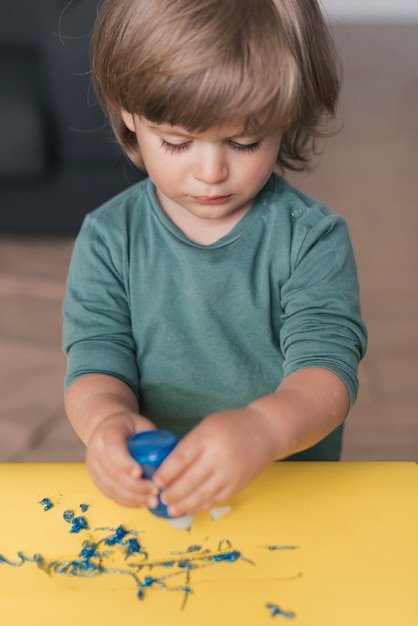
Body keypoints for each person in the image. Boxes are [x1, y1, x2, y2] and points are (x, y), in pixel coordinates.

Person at [63, 0, 367, 519]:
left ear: (286, 116)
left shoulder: (311, 239)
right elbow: (95, 357)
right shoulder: (109, 238)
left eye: (244, 141)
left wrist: (262, 429)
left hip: (289, 493)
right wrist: (104, 421)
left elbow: (328, 372)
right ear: (130, 115)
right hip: (160, 498)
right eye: (177, 142)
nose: (211, 172)